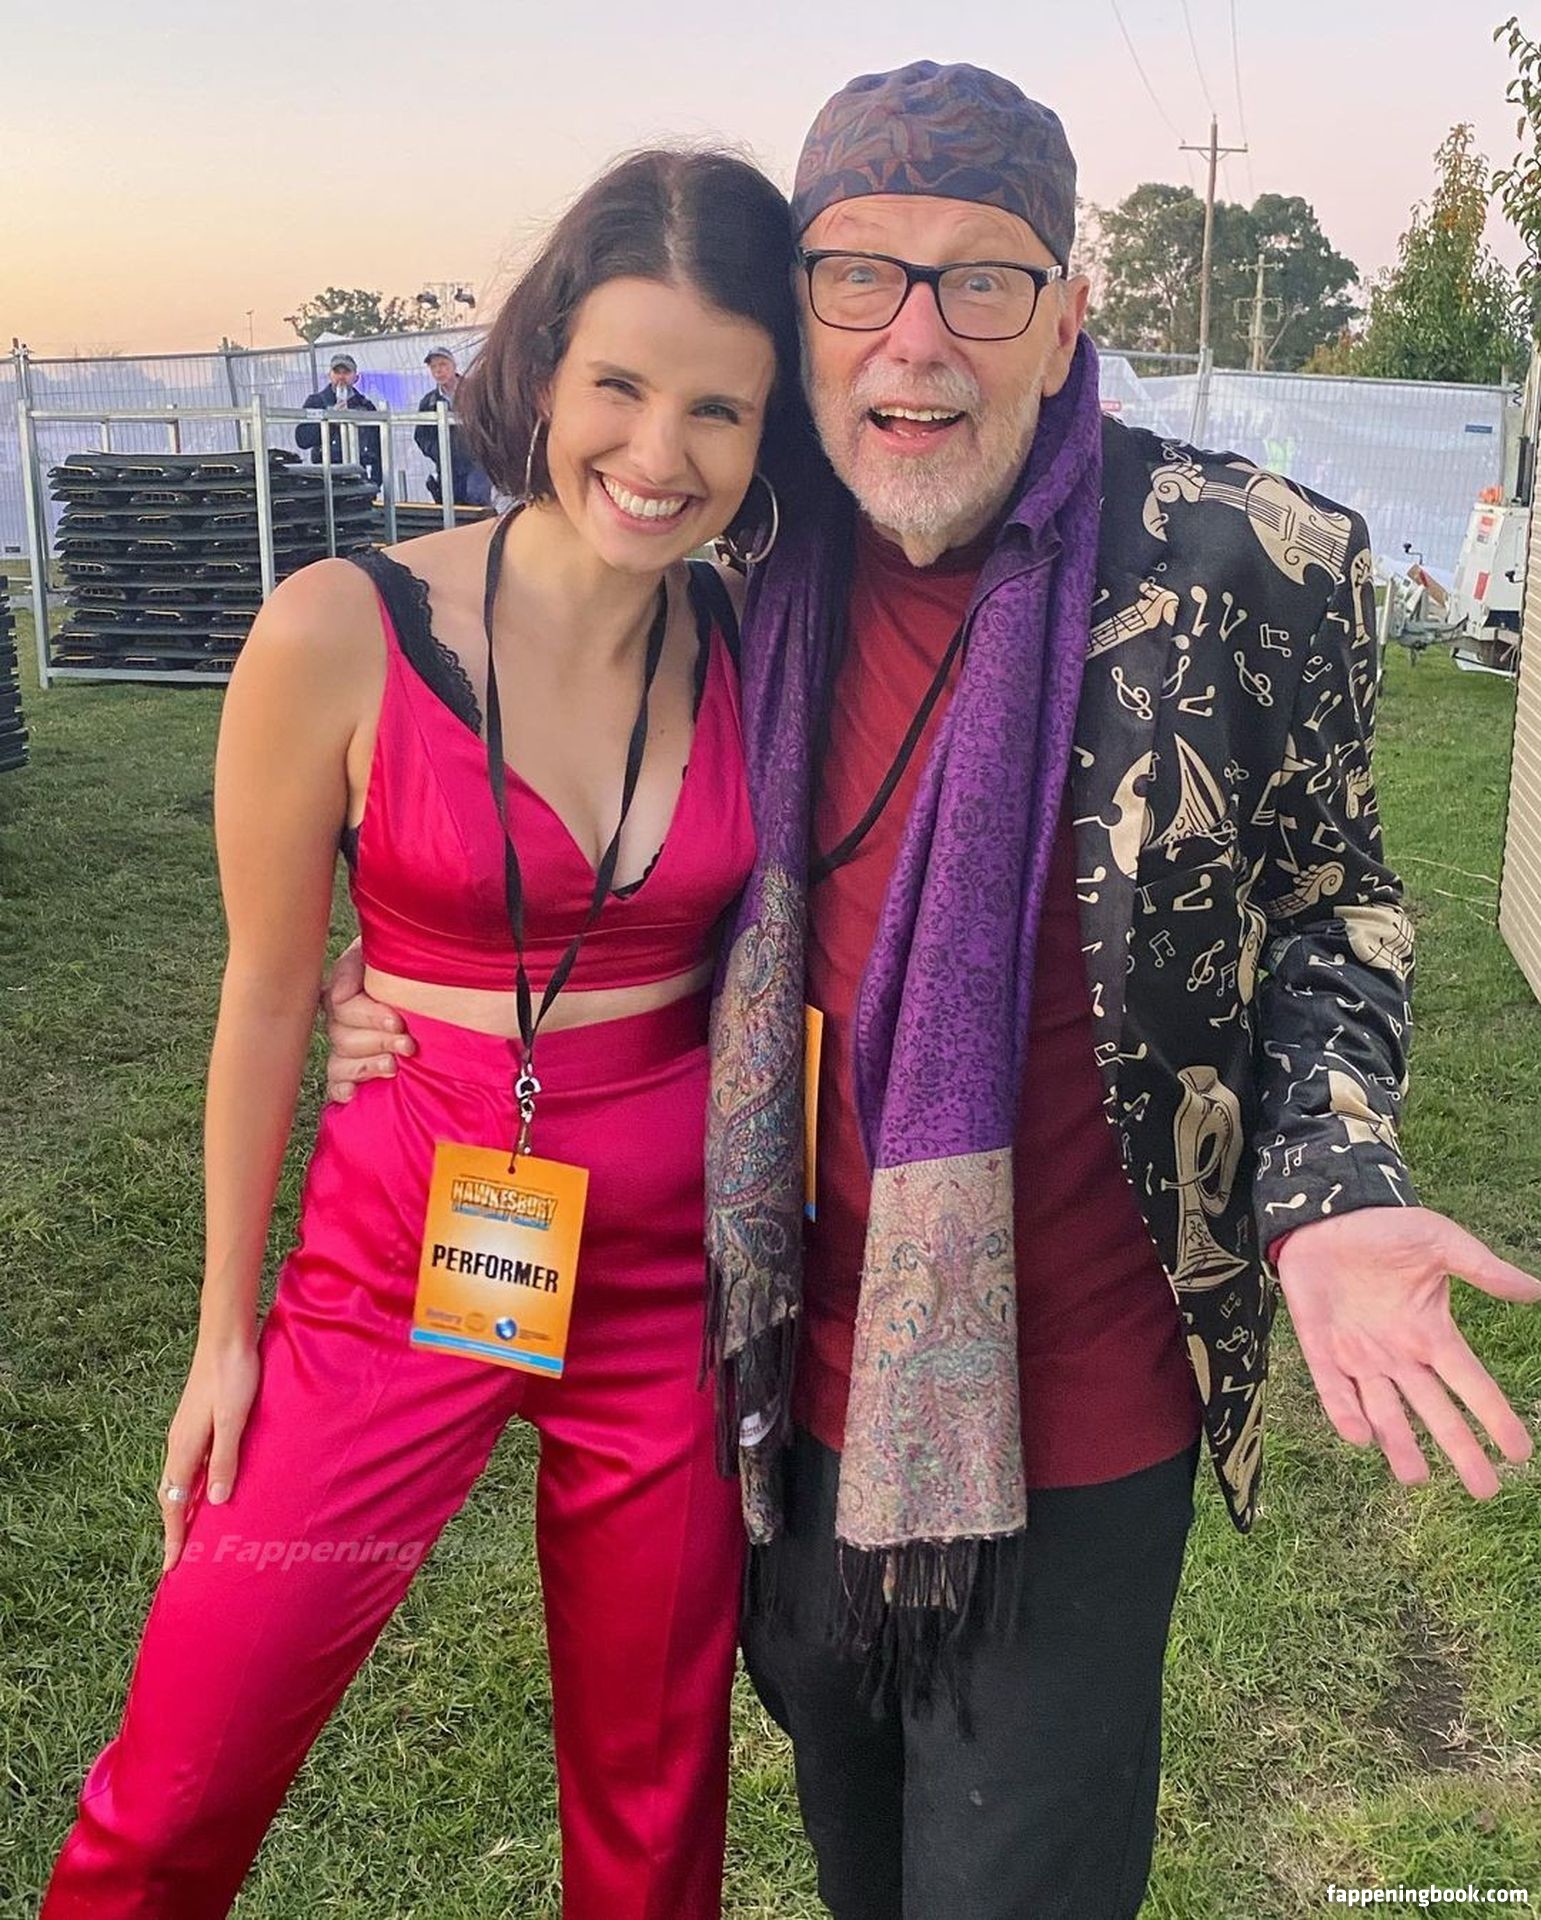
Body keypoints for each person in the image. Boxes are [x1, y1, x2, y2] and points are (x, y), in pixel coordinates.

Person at [323, 64, 1540, 1920]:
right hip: (781, 1384)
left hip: (1075, 1415)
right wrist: (419, 967)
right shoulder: (737, 549)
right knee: (858, 1858)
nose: (916, 338)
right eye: (857, 277)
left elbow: (1335, 912)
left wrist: (1328, 1182)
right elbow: (571, 766)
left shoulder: (1251, 564)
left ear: (1066, 314)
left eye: (981, 280)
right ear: (799, 314)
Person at [41, 146, 803, 1920]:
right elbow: (264, 990)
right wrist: (222, 1335)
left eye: (719, 409)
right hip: (400, 1234)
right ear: (541, 367)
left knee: (653, 1808)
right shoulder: (342, 628)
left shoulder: (754, 644)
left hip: (668, 1271)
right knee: (187, 1764)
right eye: (620, 385)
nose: (660, 452)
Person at [415, 346, 493, 507]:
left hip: (477, 465)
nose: (438, 371)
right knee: (451, 510)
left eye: (443, 364)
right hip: (447, 468)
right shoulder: (428, 402)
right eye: (433, 367)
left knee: (476, 507)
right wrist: (439, 452)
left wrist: (482, 449)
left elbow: (492, 423)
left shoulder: (476, 392)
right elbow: (421, 436)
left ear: (454, 365)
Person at [294, 351, 384, 489]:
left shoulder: (365, 406)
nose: (341, 377)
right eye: (337, 372)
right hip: (325, 477)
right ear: (329, 375)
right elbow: (303, 440)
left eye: (346, 372)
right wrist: (330, 421)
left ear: (356, 377)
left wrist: (375, 482)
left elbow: (378, 447)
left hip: (358, 477)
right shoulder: (317, 401)